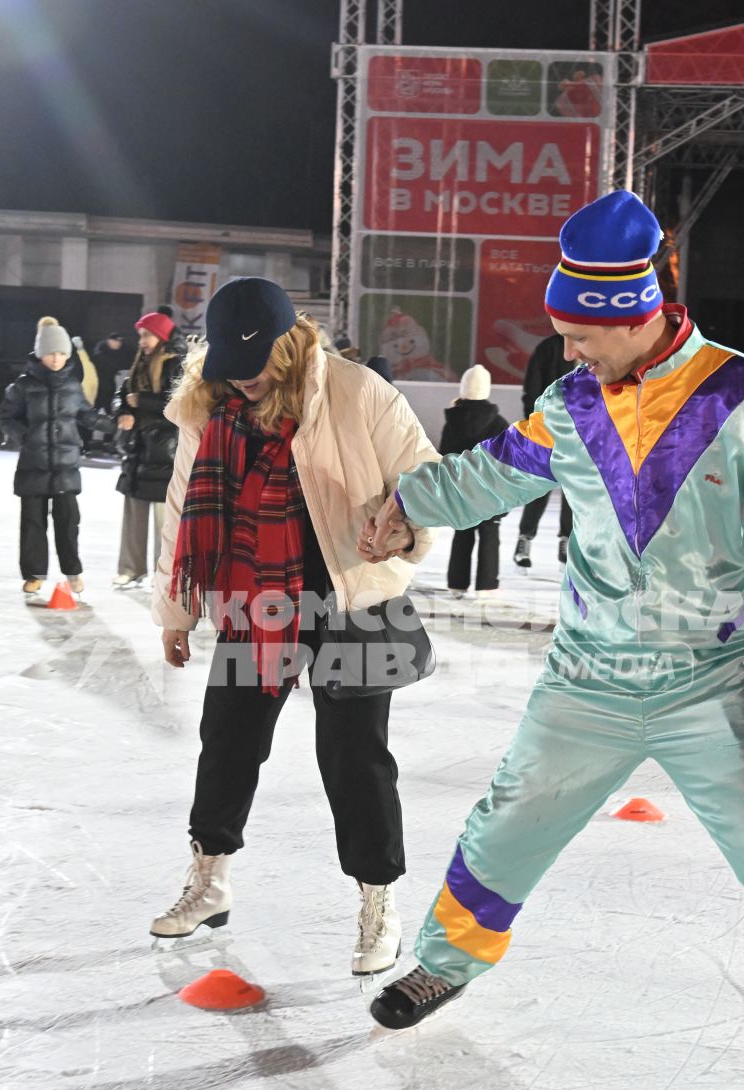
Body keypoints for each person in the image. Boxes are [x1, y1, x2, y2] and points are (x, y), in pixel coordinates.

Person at [359, 192, 744, 1090]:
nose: (568, 351)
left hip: (711, 688)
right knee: (508, 823)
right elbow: (487, 473)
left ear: (634, 314)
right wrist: (411, 502)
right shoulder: (569, 407)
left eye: (581, 334)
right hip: (589, 682)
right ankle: (443, 965)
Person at [147, 277, 443, 977]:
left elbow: (427, 476)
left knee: (355, 757)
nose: (242, 379)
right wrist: (176, 610)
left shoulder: (358, 391)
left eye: (254, 364)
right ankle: (210, 879)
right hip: (258, 594)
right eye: (230, 363)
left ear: (288, 346)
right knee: (227, 738)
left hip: (356, 595)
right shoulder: (209, 405)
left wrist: (400, 527)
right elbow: (182, 508)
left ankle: (379, 902)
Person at [1, 322, 98, 604]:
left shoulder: (72, 385)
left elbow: (85, 415)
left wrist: (116, 422)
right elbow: (6, 417)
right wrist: (25, 436)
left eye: (61, 353)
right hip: (33, 463)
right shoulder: (22, 386)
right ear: (40, 353)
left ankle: (72, 571)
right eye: (50, 353)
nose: (56, 358)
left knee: (68, 522)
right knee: (33, 522)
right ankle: (34, 574)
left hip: (66, 466)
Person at [114, 311, 182, 587]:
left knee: (164, 520)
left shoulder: (176, 364)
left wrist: (140, 402)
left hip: (165, 451)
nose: (142, 340)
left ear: (161, 336)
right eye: (140, 335)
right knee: (134, 513)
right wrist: (122, 411)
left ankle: (163, 573)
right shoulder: (139, 364)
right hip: (138, 450)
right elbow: (121, 394)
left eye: (147, 335)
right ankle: (131, 568)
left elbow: (177, 402)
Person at [439, 364, 508, 597]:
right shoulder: (498, 423)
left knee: (462, 535)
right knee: (489, 536)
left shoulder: (452, 422)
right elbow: (506, 460)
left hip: (461, 489)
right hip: (490, 491)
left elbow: (444, 456)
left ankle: (457, 584)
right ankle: (486, 586)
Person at [514, 331, 575, 568]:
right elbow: (532, 387)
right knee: (539, 485)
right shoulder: (548, 348)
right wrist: (536, 423)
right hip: (546, 430)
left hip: (581, 434)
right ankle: (525, 538)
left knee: (573, 489)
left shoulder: (594, 346)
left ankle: (566, 540)